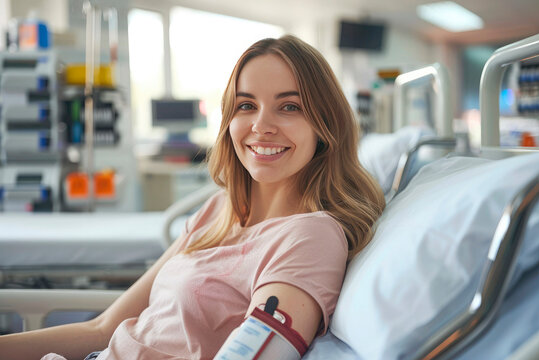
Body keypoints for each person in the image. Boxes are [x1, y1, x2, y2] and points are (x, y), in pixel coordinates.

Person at [0, 35, 385, 360]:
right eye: (246, 105)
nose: (260, 126)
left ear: (325, 124)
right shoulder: (220, 210)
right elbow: (104, 328)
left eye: (290, 107)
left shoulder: (309, 237)